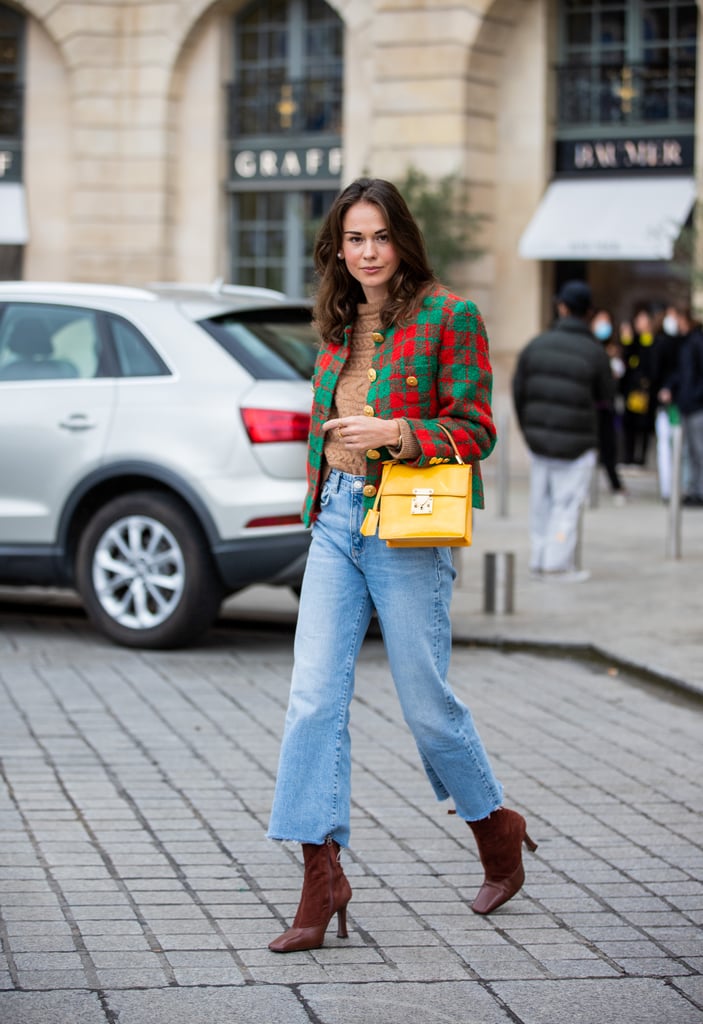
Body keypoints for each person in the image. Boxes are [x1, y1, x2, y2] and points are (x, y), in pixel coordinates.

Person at [266, 177, 537, 954]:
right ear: (337, 248)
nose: (367, 252)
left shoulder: (449, 314)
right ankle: (321, 876)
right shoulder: (336, 322)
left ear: (401, 240)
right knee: (313, 699)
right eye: (353, 239)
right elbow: (322, 430)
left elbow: (478, 429)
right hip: (335, 523)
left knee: (424, 702)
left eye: (379, 236)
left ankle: (496, 831)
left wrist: (396, 431)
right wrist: (323, 489)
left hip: (407, 527)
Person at [512, 280, 614, 582]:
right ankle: (556, 563)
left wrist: (529, 431)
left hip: (539, 442)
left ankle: (539, 557)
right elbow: (606, 396)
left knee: (540, 504)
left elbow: (519, 391)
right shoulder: (595, 352)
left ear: (562, 307)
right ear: (589, 313)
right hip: (578, 443)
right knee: (566, 506)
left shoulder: (536, 345)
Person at [659, 306, 703, 506]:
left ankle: (698, 491)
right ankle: (690, 489)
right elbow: (680, 372)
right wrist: (669, 387)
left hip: (696, 406)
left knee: (698, 450)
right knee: (684, 450)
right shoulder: (684, 343)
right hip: (685, 404)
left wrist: (695, 396)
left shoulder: (697, 341)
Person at [590, 308, 627, 504]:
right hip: (588, 407)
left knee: (608, 449)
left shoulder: (614, 349)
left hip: (605, 406)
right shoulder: (588, 346)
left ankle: (616, 487)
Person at [650, 304, 683, 502]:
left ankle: (672, 489)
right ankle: (668, 489)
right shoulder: (663, 343)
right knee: (667, 446)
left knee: (674, 446)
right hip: (667, 404)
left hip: (681, 403)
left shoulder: (687, 342)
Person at [619, 305, 656, 466]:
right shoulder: (632, 341)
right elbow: (627, 360)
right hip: (631, 390)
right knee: (630, 425)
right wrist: (626, 339)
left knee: (644, 426)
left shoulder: (652, 341)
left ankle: (641, 458)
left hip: (646, 391)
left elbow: (653, 363)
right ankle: (629, 456)